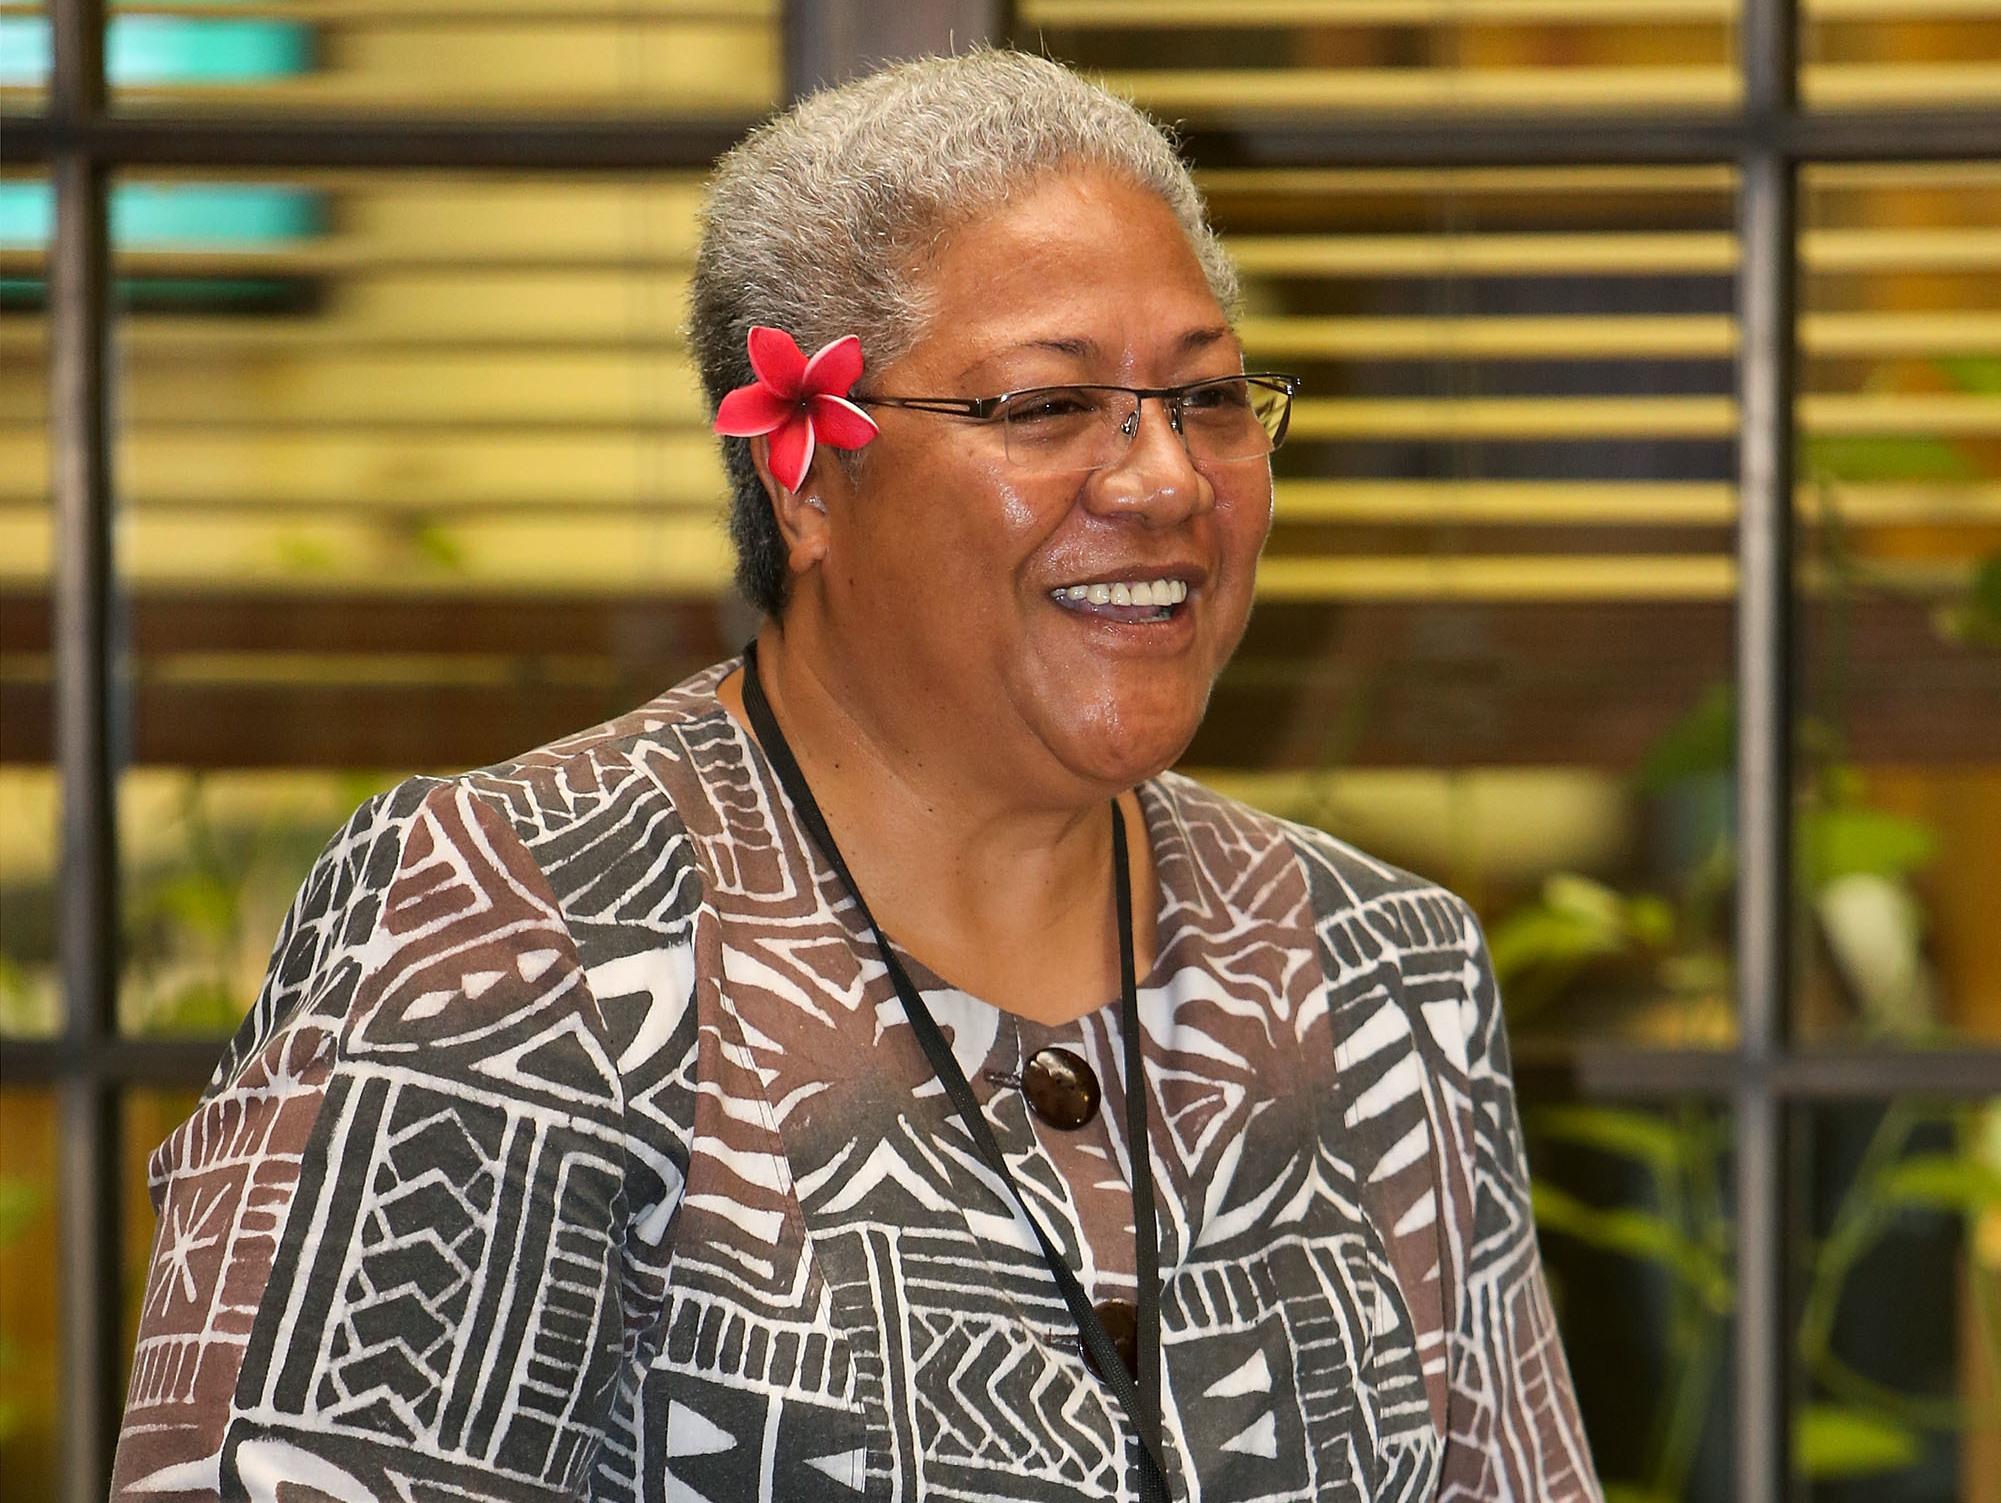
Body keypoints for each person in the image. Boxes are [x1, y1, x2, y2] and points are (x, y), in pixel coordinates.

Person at [112, 49, 1601, 1503]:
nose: (1164, 479)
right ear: (810, 478)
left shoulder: (1379, 969)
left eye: (1207, 398)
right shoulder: (516, 925)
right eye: (1047, 406)